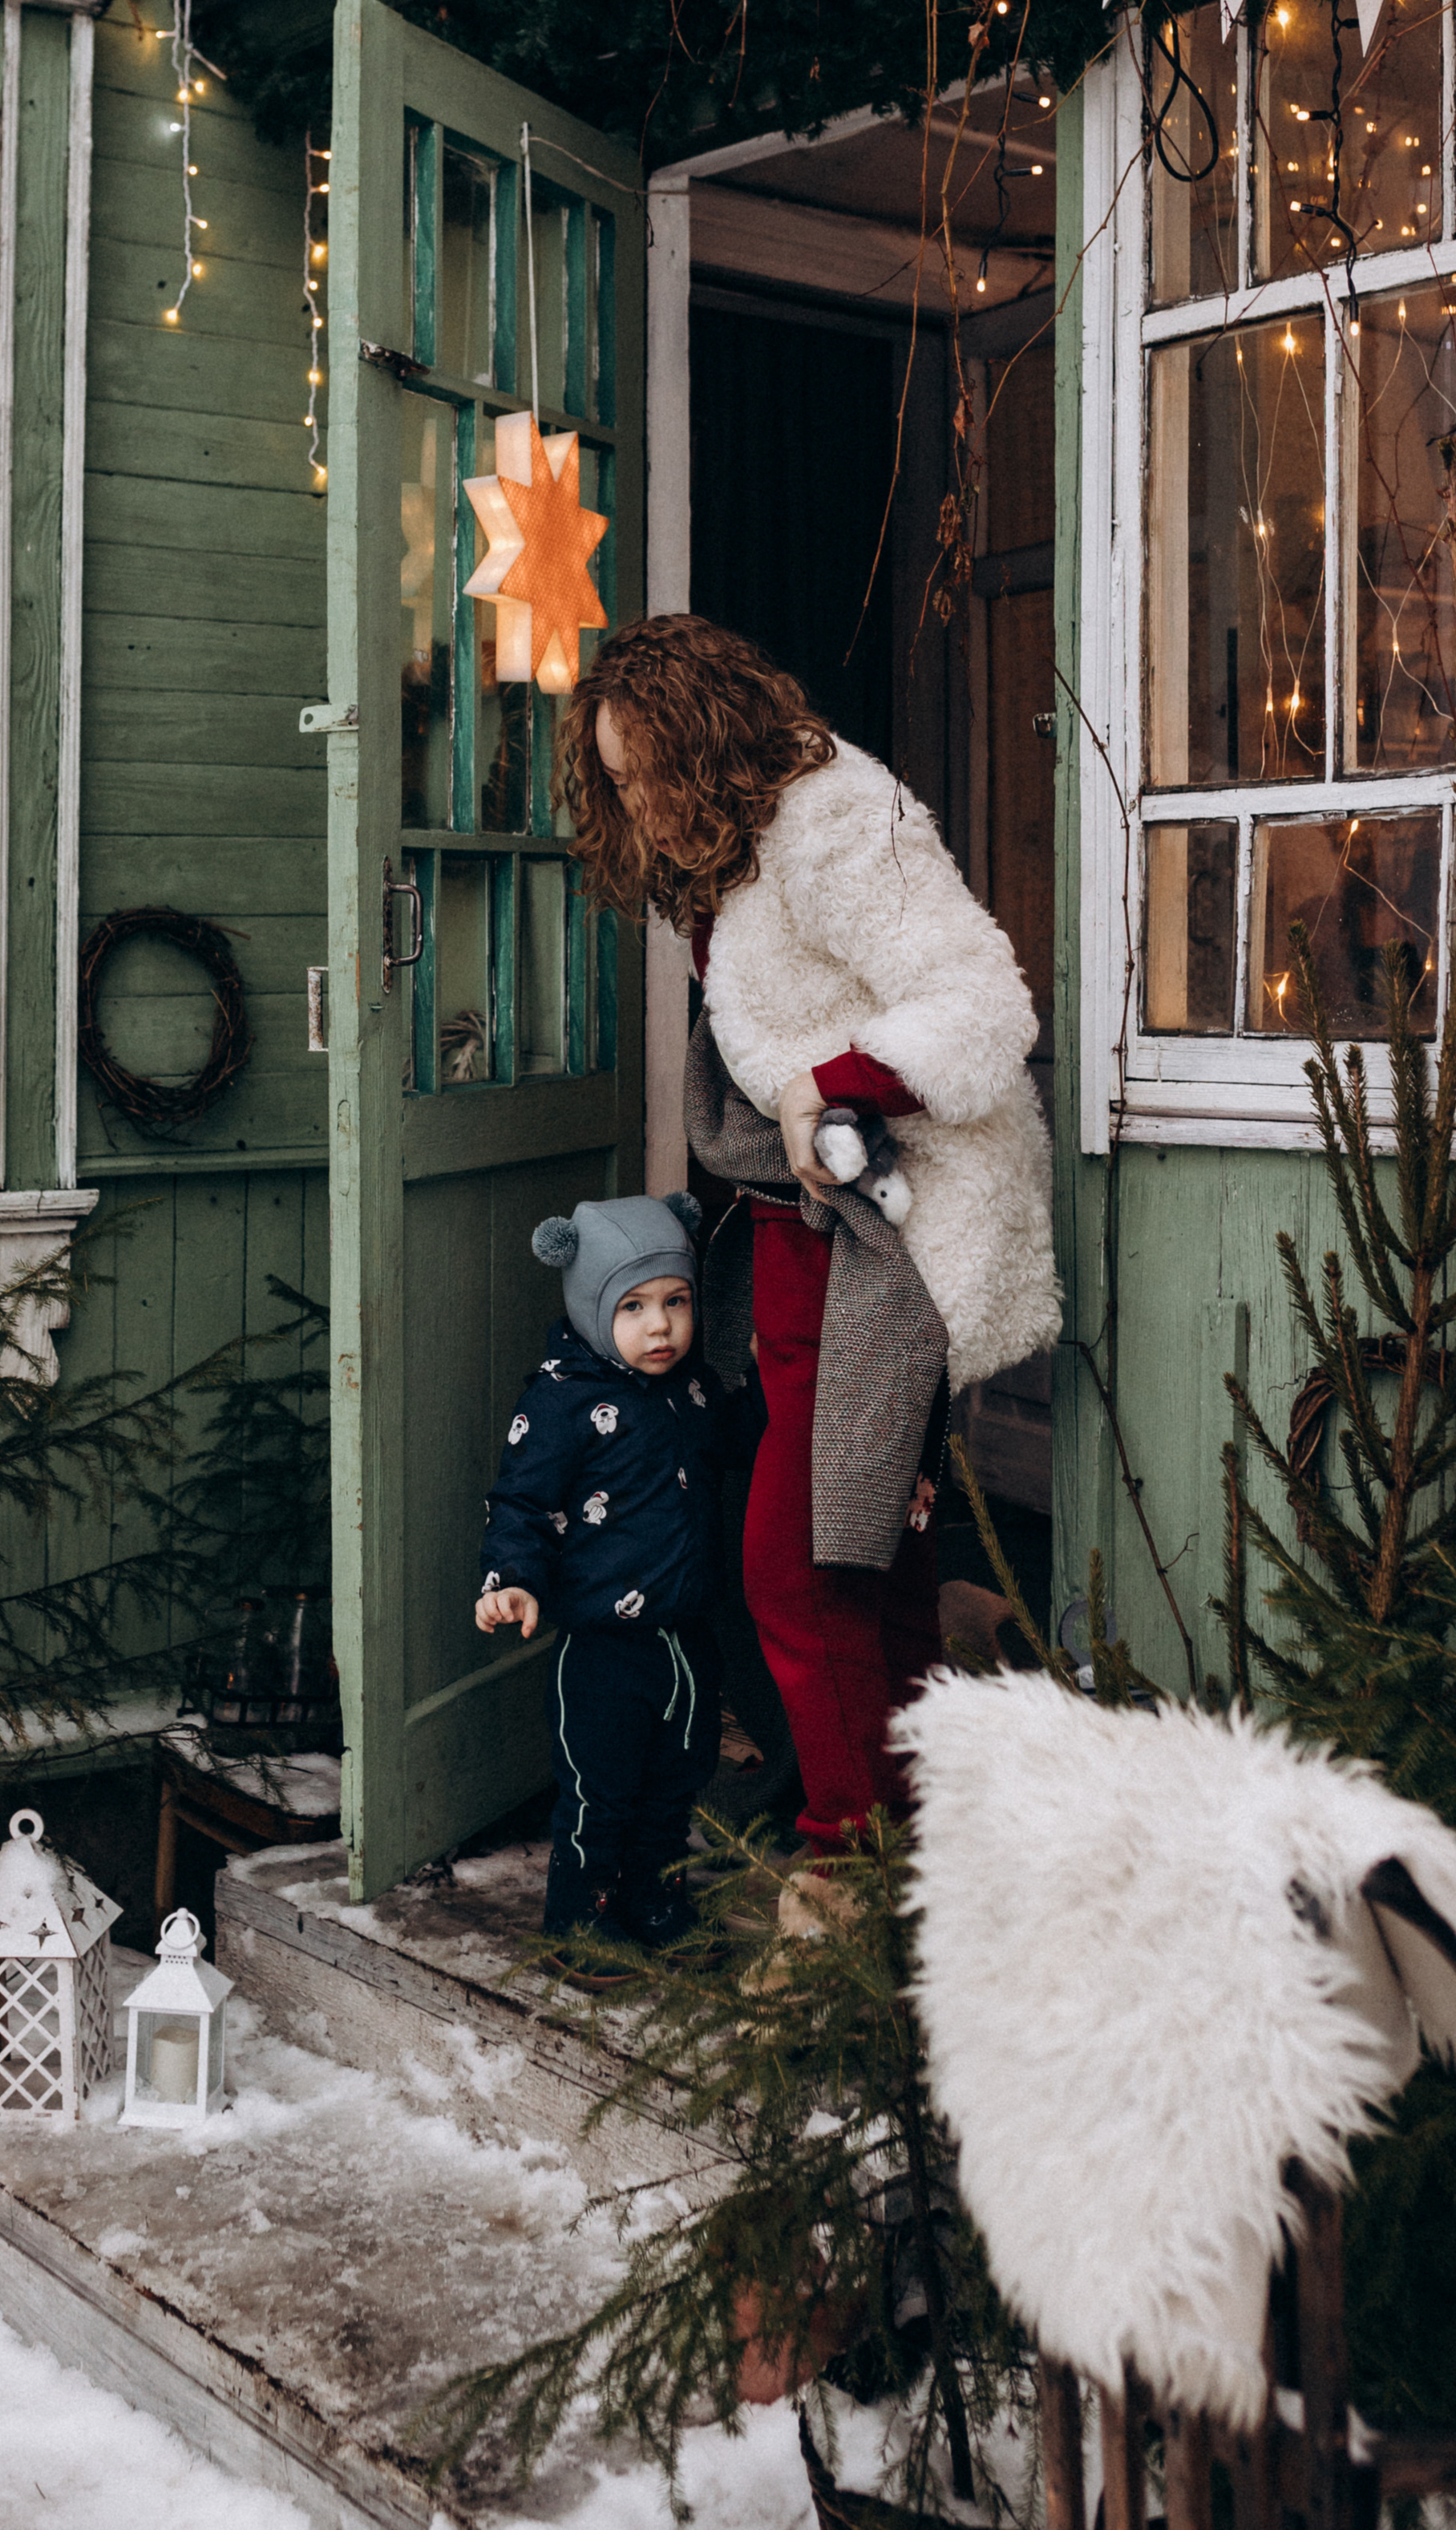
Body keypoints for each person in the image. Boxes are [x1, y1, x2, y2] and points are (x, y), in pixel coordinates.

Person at [560, 615, 1060, 1862]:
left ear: (710, 742)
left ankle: (848, 1855)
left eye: (653, 777)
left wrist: (825, 1086)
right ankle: (918, 1839)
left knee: (803, 1567)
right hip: (803, 1238)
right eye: (621, 787)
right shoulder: (726, 854)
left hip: (891, 1242)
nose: (643, 811)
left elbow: (984, 1002)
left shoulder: (834, 817)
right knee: (878, 1559)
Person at [475, 1191, 734, 1959]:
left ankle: (656, 1901)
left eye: (676, 1301)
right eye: (633, 1306)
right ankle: (581, 1921)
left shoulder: (694, 1388)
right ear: (591, 1308)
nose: (660, 1327)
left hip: (687, 1636)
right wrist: (511, 1578)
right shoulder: (561, 1401)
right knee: (601, 1792)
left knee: (675, 1784)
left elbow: (736, 1441)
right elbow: (520, 1502)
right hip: (603, 1650)